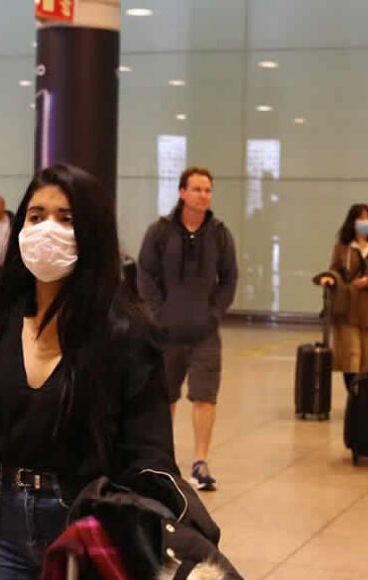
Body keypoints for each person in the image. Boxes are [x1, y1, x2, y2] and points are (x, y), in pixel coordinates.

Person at [0, 164, 218, 580]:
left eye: (66, 217)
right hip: (7, 526)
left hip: (89, 526)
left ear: (92, 231)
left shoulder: (126, 334)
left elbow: (150, 452)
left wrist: (147, 527)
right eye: (36, 216)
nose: (47, 229)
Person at [137, 166, 238, 492]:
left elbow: (229, 278)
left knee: (205, 397)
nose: (203, 195)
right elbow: (145, 275)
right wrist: (157, 313)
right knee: (164, 397)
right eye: (197, 189)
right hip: (165, 333)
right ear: (182, 193)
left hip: (205, 333)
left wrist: (214, 313)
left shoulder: (220, 234)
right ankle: (162, 460)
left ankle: (200, 462)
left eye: (207, 190)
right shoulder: (160, 232)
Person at [320, 204, 368, 392]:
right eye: (360, 218)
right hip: (348, 307)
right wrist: (329, 277)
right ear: (352, 222)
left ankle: (366, 398)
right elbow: (334, 269)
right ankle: (353, 394)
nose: (365, 222)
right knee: (352, 356)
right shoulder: (343, 248)